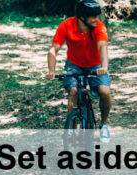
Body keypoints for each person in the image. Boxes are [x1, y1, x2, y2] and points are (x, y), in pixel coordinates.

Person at [46, 0, 112, 142]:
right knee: (74, 92)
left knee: (104, 91)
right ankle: (71, 126)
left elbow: (102, 47)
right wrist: (51, 70)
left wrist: (104, 67)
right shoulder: (66, 25)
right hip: (74, 64)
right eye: (93, 16)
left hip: (96, 65)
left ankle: (104, 124)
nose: (97, 19)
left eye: (97, 16)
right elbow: (53, 49)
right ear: (82, 17)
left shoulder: (99, 27)